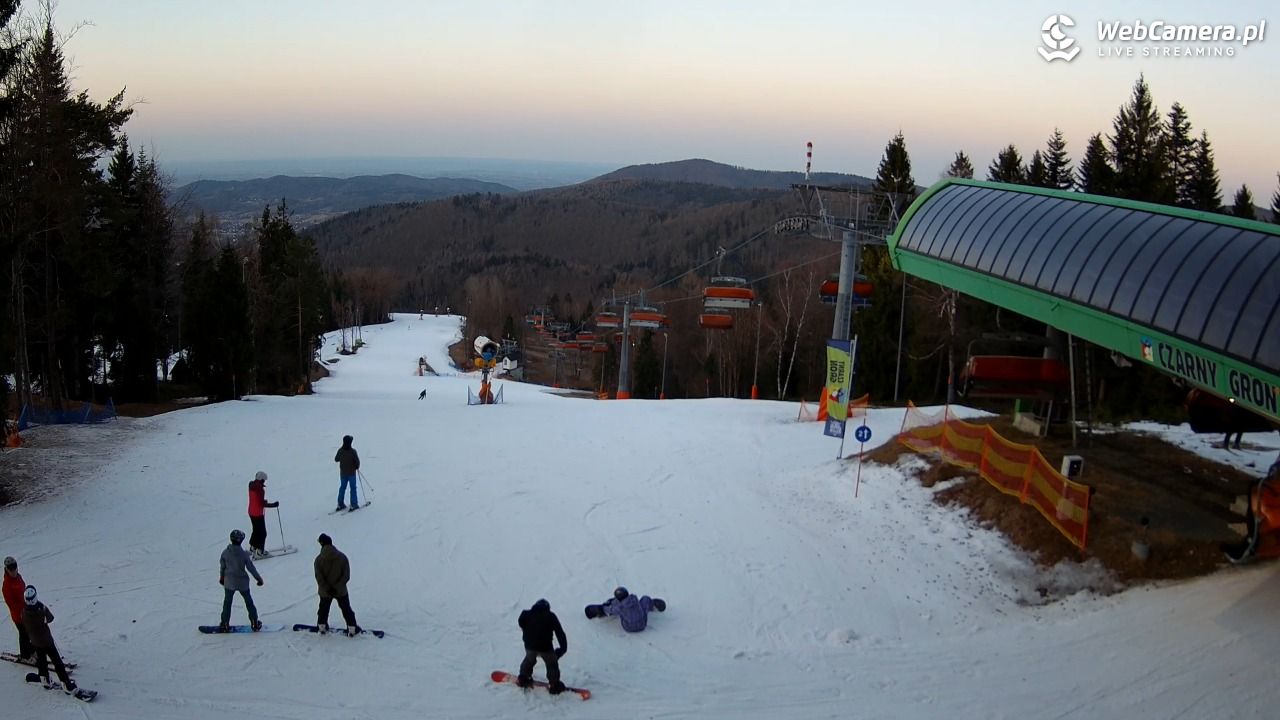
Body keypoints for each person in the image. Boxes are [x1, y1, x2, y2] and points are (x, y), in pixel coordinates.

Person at [21, 586, 78, 694]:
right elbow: (50, 618)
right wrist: (43, 608)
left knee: (41, 661)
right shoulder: (41, 610)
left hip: (35, 641)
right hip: (46, 641)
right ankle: (67, 684)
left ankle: (44, 679)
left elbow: (24, 624)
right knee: (57, 662)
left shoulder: (24, 612)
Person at [314, 533, 361, 636]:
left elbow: (319, 578)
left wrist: (327, 588)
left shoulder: (318, 560)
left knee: (323, 609)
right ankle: (352, 627)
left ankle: (321, 626)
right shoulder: (342, 557)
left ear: (322, 543)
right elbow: (346, 576)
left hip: (325, 592)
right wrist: (337, 587)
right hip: (340, 591)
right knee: (346, 609)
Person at [516, 598, 567, 693]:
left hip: (529, 645)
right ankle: (554, 684)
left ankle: (523, 677)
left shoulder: (526, 614)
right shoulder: (550, 616)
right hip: (545, 647)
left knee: (529, 659)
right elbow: (560, 633)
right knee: (552, 663)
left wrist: (527, 630)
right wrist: (563, 649)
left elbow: (521, 621)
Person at [218, 529, 263, 632]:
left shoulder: (225, 553)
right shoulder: (244, 554)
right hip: (242, 582)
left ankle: (224, 623)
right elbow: (251, 568)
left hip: (229, 582)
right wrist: (258, 579)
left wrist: (222, 577)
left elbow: (222, 567)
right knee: (248, 602)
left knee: (227, 603)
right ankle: (255, 622)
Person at [585, 586, 666, 632]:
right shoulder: (634, 599)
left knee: (617, 610)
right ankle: (652, 603)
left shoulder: (619, 607)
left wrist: (602, 608)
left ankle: (604, 610)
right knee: (645, 599)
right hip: (642, 624)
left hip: (628, 627)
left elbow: (610, 610)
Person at [3, 556, 33, 660]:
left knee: (29, 632)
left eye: (15, 567)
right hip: (18, 616)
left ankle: (31, 650)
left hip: (26, 611)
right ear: (7, 569)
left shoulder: (18, 577)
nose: (14, 570)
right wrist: (22, 611)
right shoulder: (7, 585)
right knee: (24, 634)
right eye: (11, 569)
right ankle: (25, 655)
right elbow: (11, 604)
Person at [247, 471, 280, 559]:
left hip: (251, 511)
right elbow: (261, 503)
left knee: (256, 530)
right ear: (261, 480)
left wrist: (263, 501)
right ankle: (260, 551)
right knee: (262, 533)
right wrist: (273, 505)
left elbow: (256, 499)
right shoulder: (260, 489)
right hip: (258, 513)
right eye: (264, 480)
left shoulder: (251, 485)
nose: (264, 482)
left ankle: (253, 547)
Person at [333, 435, 360, 511]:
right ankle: (353, 504)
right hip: (351, 473)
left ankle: (340, 504)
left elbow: (336, 459)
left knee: (342, 488)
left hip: (343, 473)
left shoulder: (340, 450)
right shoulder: (353, 452)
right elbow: (357, 463)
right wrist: (356, 466)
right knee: (353, 488)